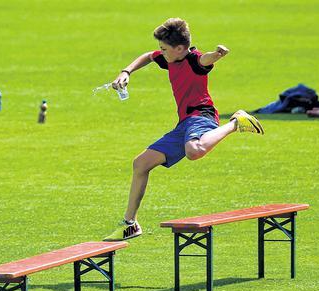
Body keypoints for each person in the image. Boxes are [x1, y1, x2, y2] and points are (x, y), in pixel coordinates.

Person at [103, 18, 264, 241]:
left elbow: (205, 59)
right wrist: (126, 72)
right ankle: (130, 224)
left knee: (194, 150)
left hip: (201, 117)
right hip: (184, 123)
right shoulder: (170, 58)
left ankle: (236, 122)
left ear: (180, 48)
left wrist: (217, 54)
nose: (161, 52)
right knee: (141, 164)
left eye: (164, 48)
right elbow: (148, 57)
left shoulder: (194, 60)